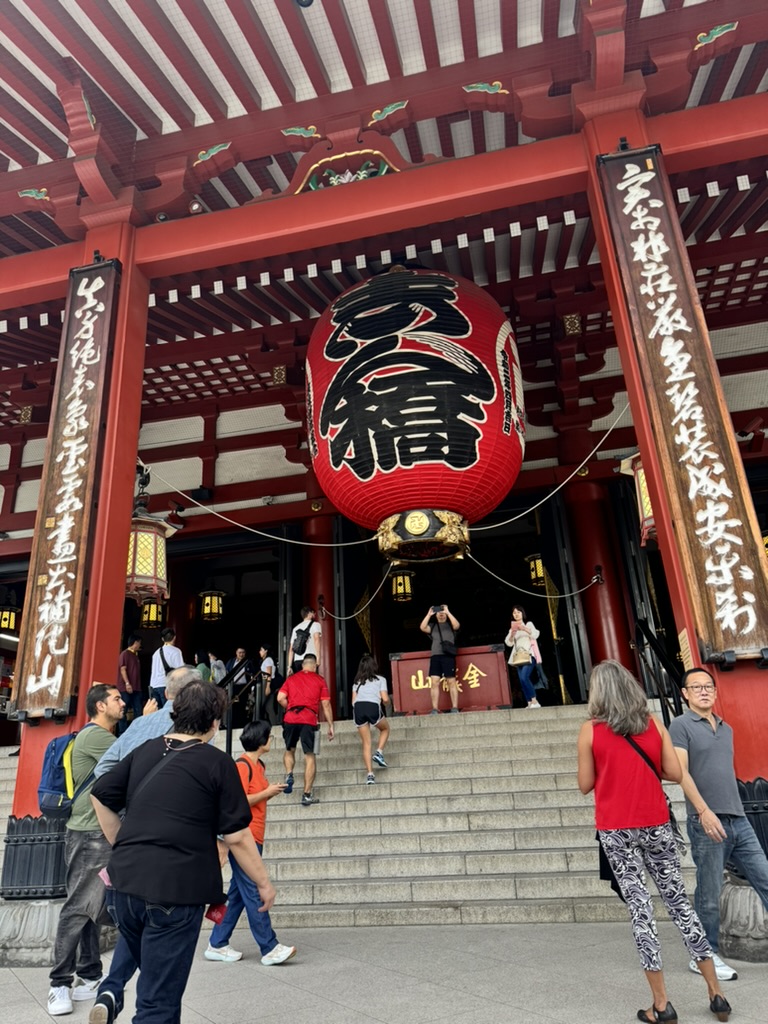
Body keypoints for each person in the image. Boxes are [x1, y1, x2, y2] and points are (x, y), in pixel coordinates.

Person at [90, 681, 276, 1024]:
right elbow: (236, 835)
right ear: (215, 722)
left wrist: (122, 841)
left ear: (175, 713)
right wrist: (264, 882)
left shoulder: (145, 749)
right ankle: (118, 992)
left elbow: (99, 793)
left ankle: (112, 989)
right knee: (158, 1003)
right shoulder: (217, 762)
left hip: (123, 887)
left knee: (155, 982)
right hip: (175, 890)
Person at [577, 660, 731, 1024]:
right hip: (657, 825)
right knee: (679, 903)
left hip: (617, 829)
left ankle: (662, 1005)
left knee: (641, 910)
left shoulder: (590, 731)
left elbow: (585, 783)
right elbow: (674, 772)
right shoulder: (653, 724)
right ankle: (717, 995)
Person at [669, 666, 768, 982]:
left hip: (739, 819)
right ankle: (704, 954)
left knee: (765, 878)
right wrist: (703, 811)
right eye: (695, 687)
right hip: (706, 821)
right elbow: (680, 772)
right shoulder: (681, 726)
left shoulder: (726, 728)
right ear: (685, 694)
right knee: (710, 893)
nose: (703, 690)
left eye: (708, 685)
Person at [47, 685, 125, 1017]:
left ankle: (90, 975)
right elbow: (133, 754)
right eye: (117, 699)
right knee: (78, 907)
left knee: (90, 907)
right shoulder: (96, 737)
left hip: (97, 831)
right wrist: (148, 721)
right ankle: (58, 983)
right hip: (89, 832)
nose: (123, 703)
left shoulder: (100, 736)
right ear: (99, 706)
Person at [205, 719, 296, 967]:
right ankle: (269, 946)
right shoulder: (242, 766)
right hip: (243, 838)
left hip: (254, 835)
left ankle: (217, 942)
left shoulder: (260, 766)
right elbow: (237, 801)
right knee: (254, 890)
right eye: (269, 736)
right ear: (261, 739)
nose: (271, 739)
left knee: (237, 895)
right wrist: (267, 793)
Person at [277, 653, 334, 806]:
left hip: (290, 718)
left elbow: (280, 698)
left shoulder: (291, 679)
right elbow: (326, 704)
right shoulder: (320, 680)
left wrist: (290, 707)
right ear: (315, 666)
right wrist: (331, 725)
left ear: (302, 666)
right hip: (309, 720)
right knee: (310, 756)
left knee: (290, 750)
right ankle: (306, 794)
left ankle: (289, 774)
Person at [351, 654, 390, 784]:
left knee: (366, 743)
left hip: (358, 708)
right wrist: (386, 703)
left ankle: (370, 775)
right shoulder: (380, 679)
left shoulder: (357, 682)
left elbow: (353, 702)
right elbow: (385, 699)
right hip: (372, 706)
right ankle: (379, 752)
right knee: (385, 729)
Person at [419, 604, 460, 715]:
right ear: (436, 615)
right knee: (434, 682)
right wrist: (429, 614)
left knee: (451, 681)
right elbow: (422, 627)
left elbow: (457, 626)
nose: (441, 615)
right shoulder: (432, 626)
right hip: (435, 656)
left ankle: (455, 707)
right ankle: (435, 709)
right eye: (439, 613)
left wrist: (448, 612)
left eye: (443, 613)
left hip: (448, 656)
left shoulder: (450, 625)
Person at [505, 605, 542, 709]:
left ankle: (535, 701)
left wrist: (524, 629)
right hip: (519, 656)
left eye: (518, 612)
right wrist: (512, 634)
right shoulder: (512, 627)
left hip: (529, 655)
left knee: (524, 677)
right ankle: (529, 702)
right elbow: (508, 643)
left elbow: (535, 634)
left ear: (522, 613)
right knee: (522, 680)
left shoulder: (528, 624)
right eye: (514, 613)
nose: (516, 614)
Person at [115, 635, 143, 736]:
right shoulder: (125, 654)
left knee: (138, 711)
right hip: (125, 687)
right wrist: (127, 683)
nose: (140, 644)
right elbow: (123, 669)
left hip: (136, 687)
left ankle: (135, 732)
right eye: (139, 642)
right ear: (135, 642)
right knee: (123, 710)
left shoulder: (135, 655)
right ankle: (123, 733)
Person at [149, 628, 183, 706]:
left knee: (157, 713)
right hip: (167, 686)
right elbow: (180, 670)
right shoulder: (176, 651)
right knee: (168, 712)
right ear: (174, 637)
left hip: (154, 686)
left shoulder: (156, 653)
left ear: (162, 639)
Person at [287, 606, 322, 675]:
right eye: (313, 613)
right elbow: (317, 640)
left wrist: (289, 666)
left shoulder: (295, 628)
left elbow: (291, 649)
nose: (314, 614)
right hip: (310, 659)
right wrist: (318, 658)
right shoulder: (315, 624)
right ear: (309, 613)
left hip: (297, 661)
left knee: (300, 683)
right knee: (311, 683)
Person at [259, 643, 283, 726]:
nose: (260, 652)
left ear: (266, 651)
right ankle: (274, 724)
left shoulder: (268, 660)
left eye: (261, 650)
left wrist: (267, 687)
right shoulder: (265, 660)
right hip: (266, 683)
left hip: (267, 683)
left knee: (265, 706)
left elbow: (269, 673)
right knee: (268, 707)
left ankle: (274, 724)